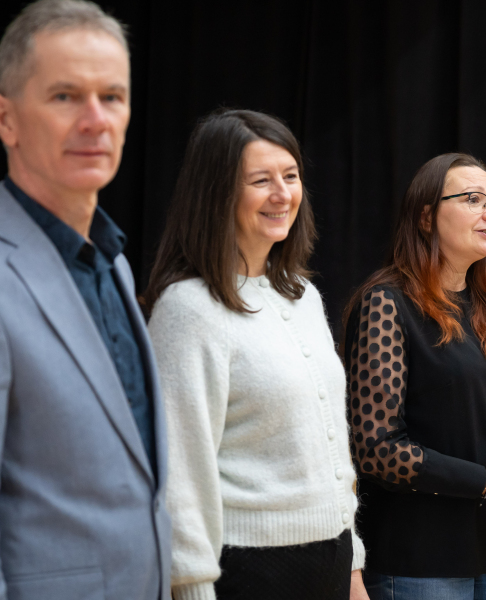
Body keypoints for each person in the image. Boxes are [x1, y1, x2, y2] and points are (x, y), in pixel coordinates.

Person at [145, 108, 367, 600]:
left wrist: (353, 567)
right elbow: (180, 470)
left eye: (290, 176)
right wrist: (191, 588)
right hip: (249, 572)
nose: (282, 194)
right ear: (217, 193)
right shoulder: (189, 308)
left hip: (330, 563)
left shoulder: (302, 296)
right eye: (261, 180)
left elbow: (330, 451)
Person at [0, 1, 171, 599]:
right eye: (65, 96)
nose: (95, 120)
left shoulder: (113, 261)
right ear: (7, 120)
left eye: (112, 97)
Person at [343, 153, 486, 600]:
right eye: (473, 199)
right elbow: (378, 450)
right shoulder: (386, 304)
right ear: (426, 216)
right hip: (421, 562)